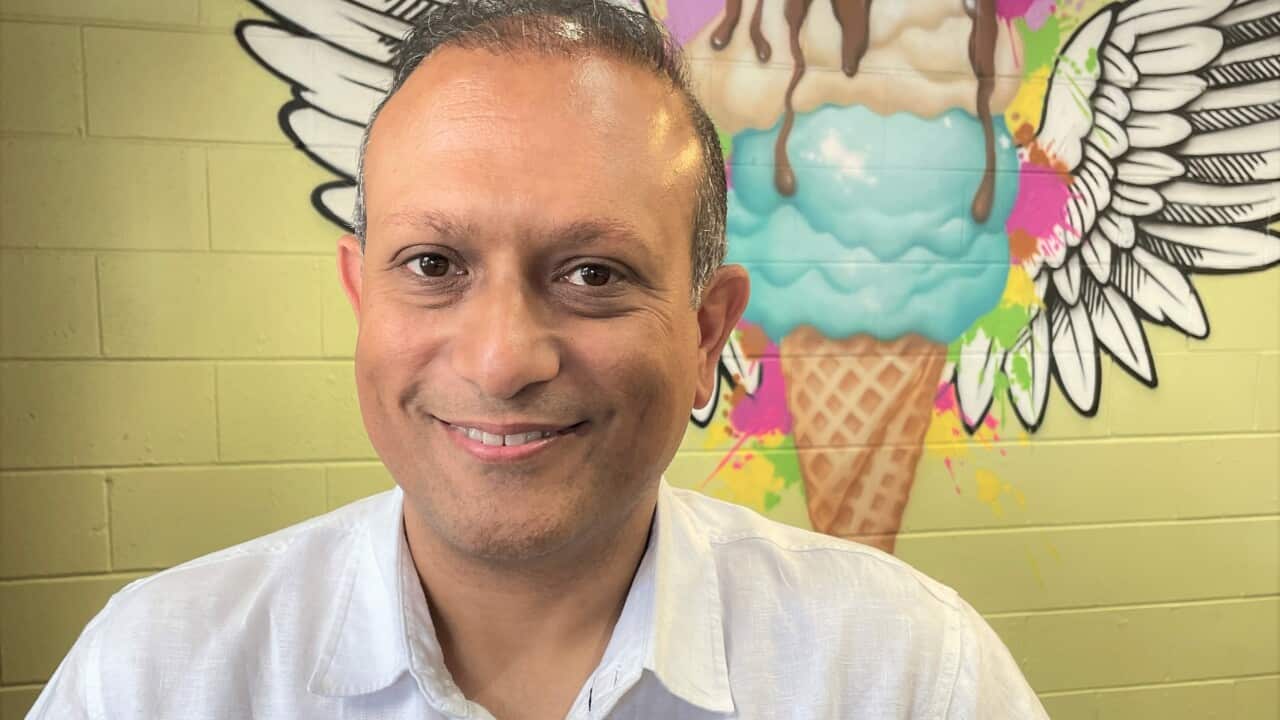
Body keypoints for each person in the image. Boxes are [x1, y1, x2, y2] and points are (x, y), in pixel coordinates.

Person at [28, 1, 1048, 718]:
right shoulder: (156, 676)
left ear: (705, 335)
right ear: (362, 296)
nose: (502, 359)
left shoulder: (905, 675)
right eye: (433, 264)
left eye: (594, 273)